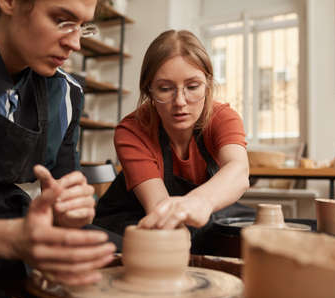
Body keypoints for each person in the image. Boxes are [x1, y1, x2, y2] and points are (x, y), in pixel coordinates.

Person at [0, 1, 116, 298]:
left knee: (118, 255)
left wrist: (71, 210)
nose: (75, 43)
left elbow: (64, 188)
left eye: (83, 26)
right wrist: (11, 240)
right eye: (62, 20)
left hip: (14, 216)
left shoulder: (67, 94)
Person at [94, 29, 254, 253]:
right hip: (136, 219)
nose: (180, 101)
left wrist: (200, 202)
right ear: (148, 90)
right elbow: (160, 210)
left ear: (207, 84)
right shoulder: (132, 130)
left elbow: (238, 170)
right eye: (165, 89)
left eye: (192, 86)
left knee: (255, 233)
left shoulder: (222, 117)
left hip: (200, 212)